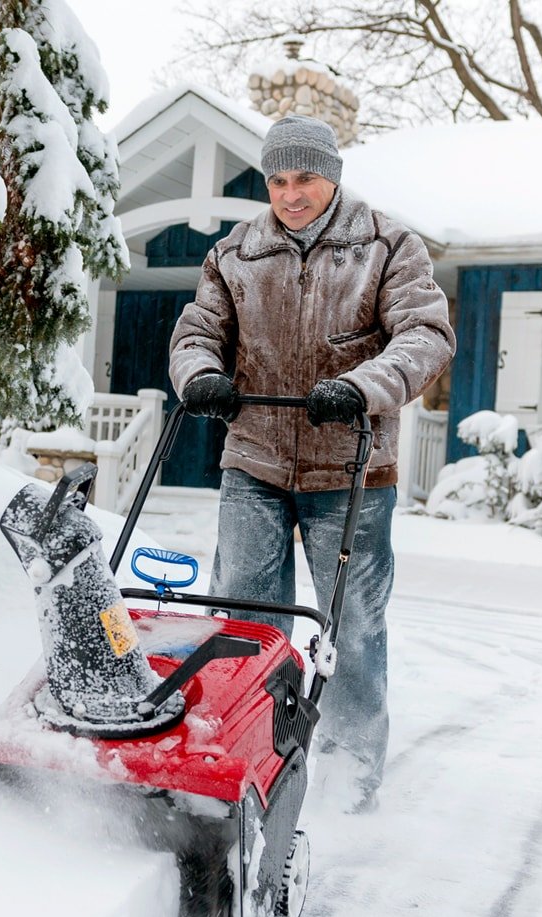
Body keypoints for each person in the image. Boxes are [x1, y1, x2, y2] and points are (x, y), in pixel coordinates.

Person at [168, 115, 454, 811]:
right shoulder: (236, 252)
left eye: (306, 178)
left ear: (333, 175)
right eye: (279, 180)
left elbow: (425, 335)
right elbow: (198, 332)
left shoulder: (387, 245)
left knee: (350, 628)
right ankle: (240, 757)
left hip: (351, 469)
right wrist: (199, 374)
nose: (291, 194)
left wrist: (360, 388)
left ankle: (351, 782)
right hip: (255, 462)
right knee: (244, 621)